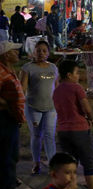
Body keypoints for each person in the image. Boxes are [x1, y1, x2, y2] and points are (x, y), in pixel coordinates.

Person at [53, 61, 93, 189]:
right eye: (77, 73)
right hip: (79, 130)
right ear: (69, 75)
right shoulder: (76, 88)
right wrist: (91, 118)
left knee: (69, 167)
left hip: (63, 130)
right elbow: (85, 107)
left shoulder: (57, 90)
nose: (79, 76)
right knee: (89, 164)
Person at [18, 40, 59, 175]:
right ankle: (36, 162)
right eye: (38, 50)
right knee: (36, 135)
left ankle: (53, 164)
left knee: (49, 136)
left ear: (48, 53)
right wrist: (20, 106)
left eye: (44, 51)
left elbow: (57, 88)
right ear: (33, 52)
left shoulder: (53, 67)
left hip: (51, 108)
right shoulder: (27, 68)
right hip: (33, 108)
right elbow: (22, 89)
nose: (41, 53)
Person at [0, 41, 27, 189]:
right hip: (3, 119)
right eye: (13, 51)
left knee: (12, 154)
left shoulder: (9, 70)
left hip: (11, 118)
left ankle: (10, 186)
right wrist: (9, 107)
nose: (17, 53)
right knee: (4, 155)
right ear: (5, 55)